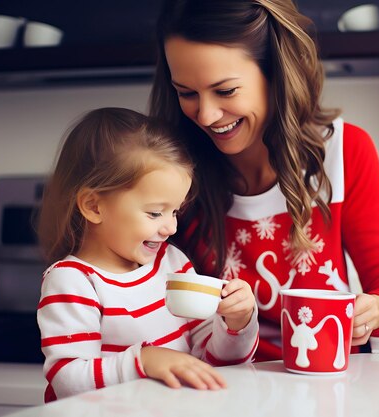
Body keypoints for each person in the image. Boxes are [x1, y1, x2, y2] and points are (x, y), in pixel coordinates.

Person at [149, 0, 379, 360]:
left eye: (225, 91)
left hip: (321, 383)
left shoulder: (344, 152)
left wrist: (374, 311)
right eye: (187, 93)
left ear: (277, 74)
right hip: (221, 385)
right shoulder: (174, 169)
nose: (207, 115)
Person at [36, 108, 259, 401]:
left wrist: (236, 322)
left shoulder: (172, 263)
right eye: (155, 212)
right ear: (94, 206)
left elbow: (214, 361)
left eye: (175, 211)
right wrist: (145, 361)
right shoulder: (74, 282)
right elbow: (67, 381)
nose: (171, 226)